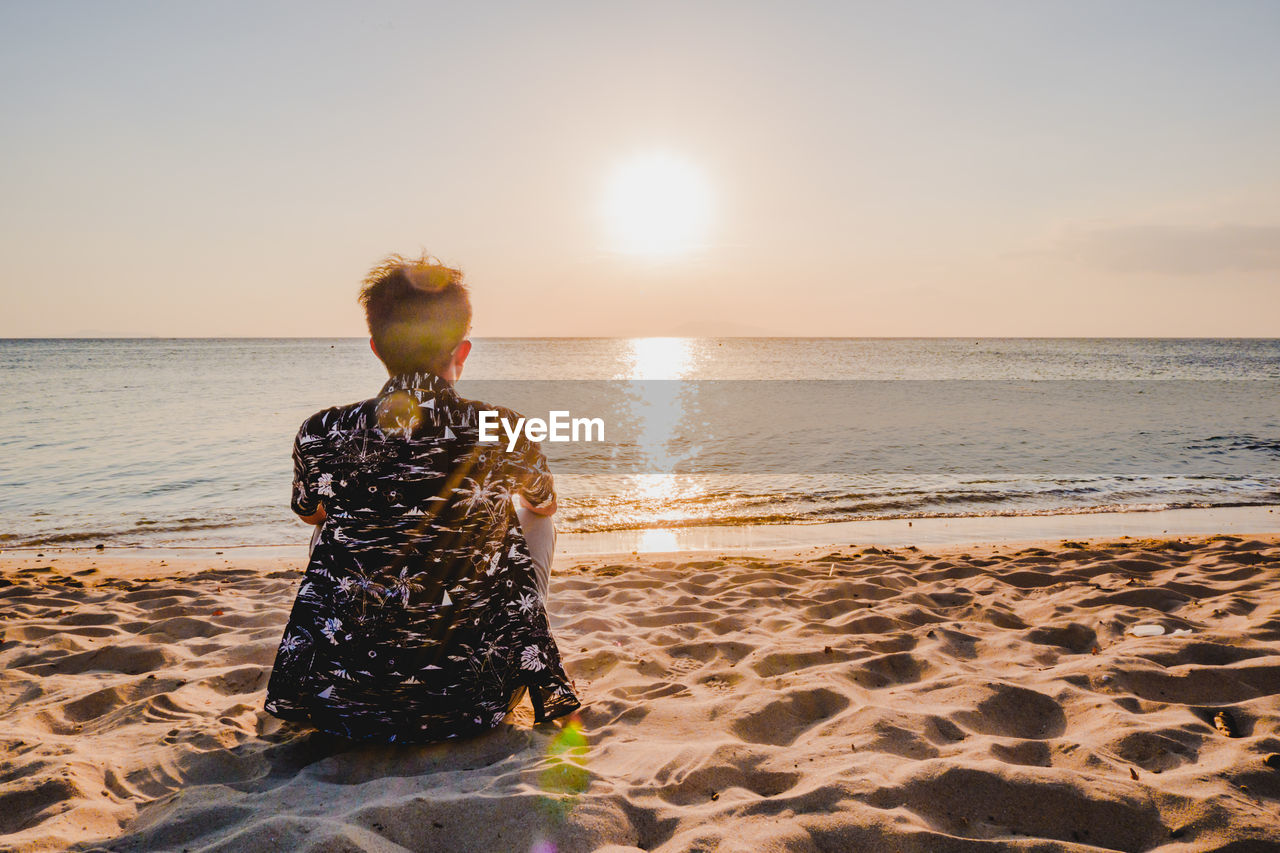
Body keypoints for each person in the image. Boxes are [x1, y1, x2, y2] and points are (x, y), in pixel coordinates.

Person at [264, 253, 580, 743]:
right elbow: (545, 503)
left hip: (345, 703)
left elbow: (310, 513)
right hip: (474, 702)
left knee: (333, 525)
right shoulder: (503, 427)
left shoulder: (320, 432)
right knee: (533, 516)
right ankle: (511, 646)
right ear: (463, 349)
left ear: (375, 347)